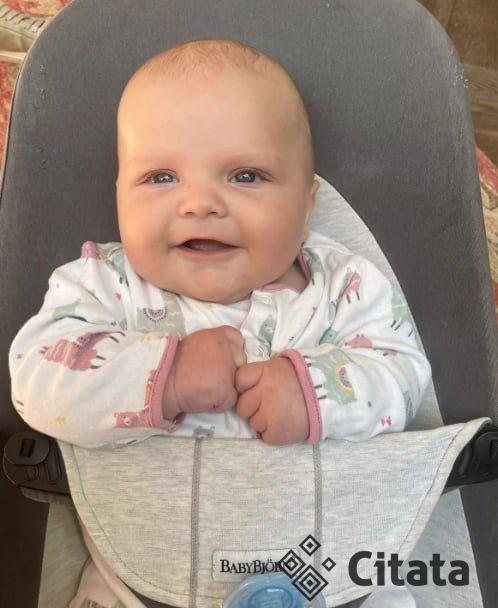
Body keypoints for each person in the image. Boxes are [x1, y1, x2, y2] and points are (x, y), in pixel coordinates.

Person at [9, 38, 429, 607]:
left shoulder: (343, 286)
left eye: (246, 176)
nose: (199, 203)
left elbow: (404, 376)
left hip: (338, 575)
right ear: (120, 196)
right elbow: (36, 380)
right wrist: (162, 376)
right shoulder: (102, 285)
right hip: (132, 580)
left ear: (307, 206)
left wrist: (315, 390)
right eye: (161, 177)